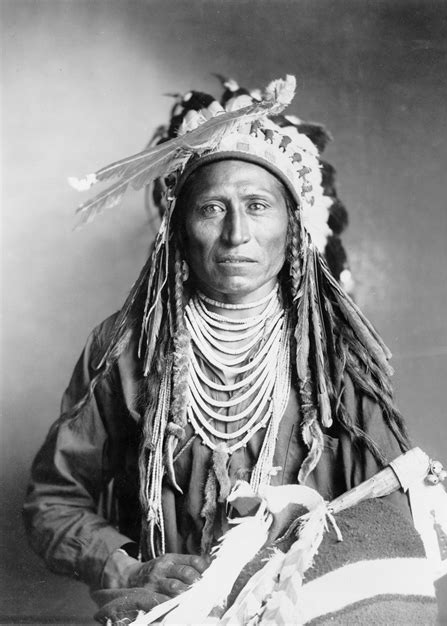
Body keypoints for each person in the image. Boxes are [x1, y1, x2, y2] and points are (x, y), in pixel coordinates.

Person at [23, 75, 413, 612]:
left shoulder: (335, 354)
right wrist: (126, 567)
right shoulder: (127, 347)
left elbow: (391, 514)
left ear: (293, 226)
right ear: (180, 229)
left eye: (257, 205)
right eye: (211, 208)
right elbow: (53, 500)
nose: (236, 234)